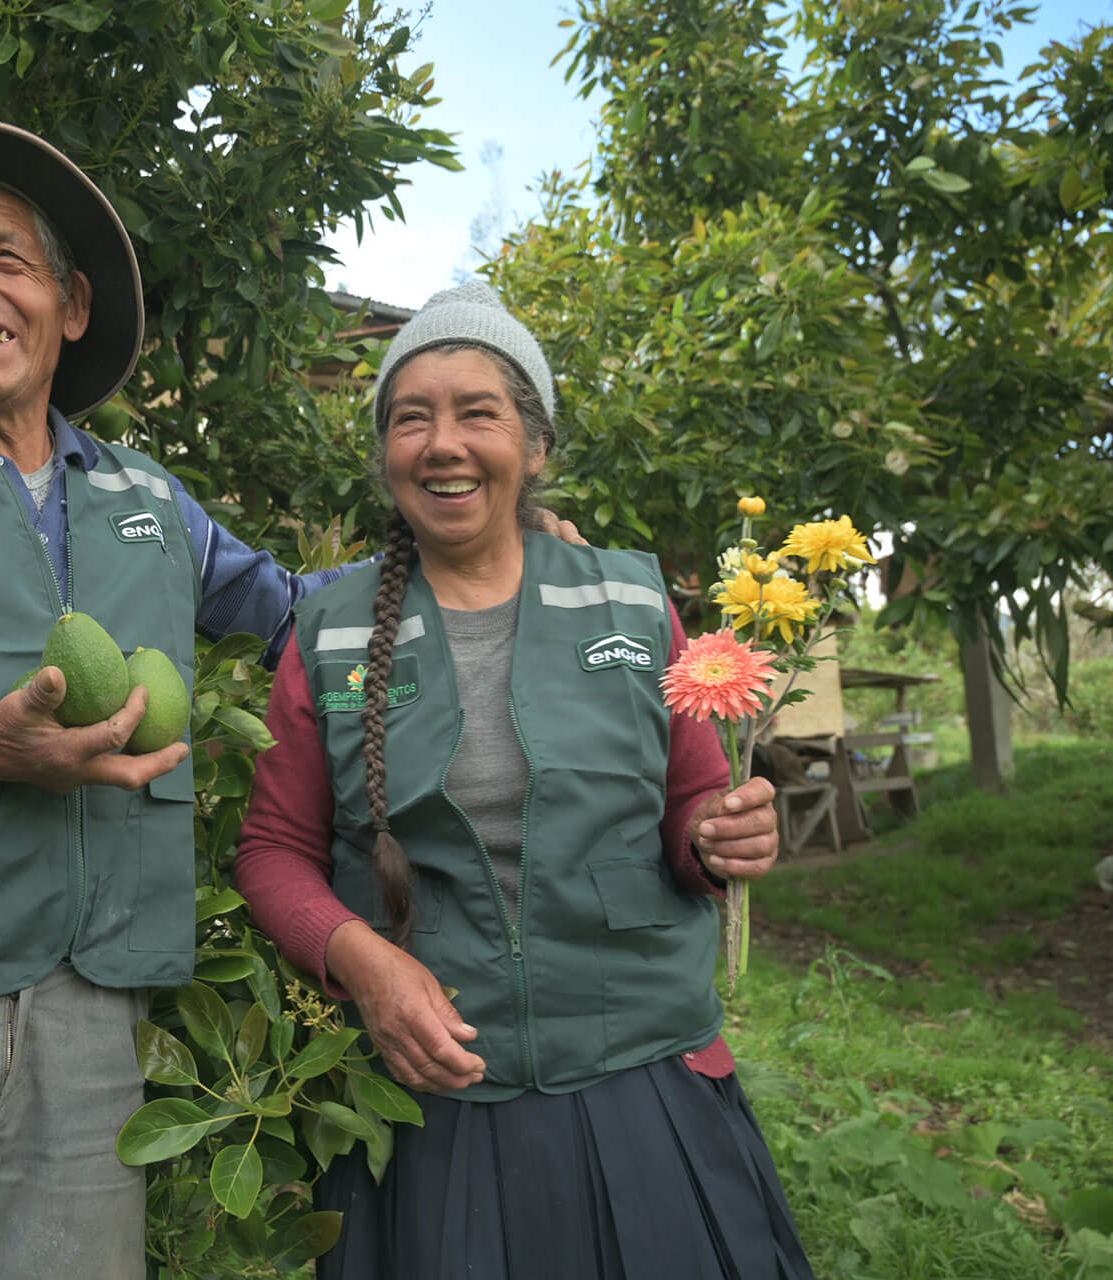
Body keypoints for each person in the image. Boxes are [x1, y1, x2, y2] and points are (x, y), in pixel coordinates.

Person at [0, 119, 582, 1279]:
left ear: (71, 303)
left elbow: (303, 613)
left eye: (6, 257)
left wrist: (492, 552)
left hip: (89, 1013)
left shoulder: (145, 495)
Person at [234, 281, 815, 1279]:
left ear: (534, 446)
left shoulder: (630, 601)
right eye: (410, 419)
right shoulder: (329, 637)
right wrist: (368, 965)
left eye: (477, 412)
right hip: (436, 1096)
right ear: (385, 457)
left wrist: (716, 836)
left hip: (643, 1078)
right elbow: (273, 850)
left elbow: (686, 802)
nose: (442, 442)